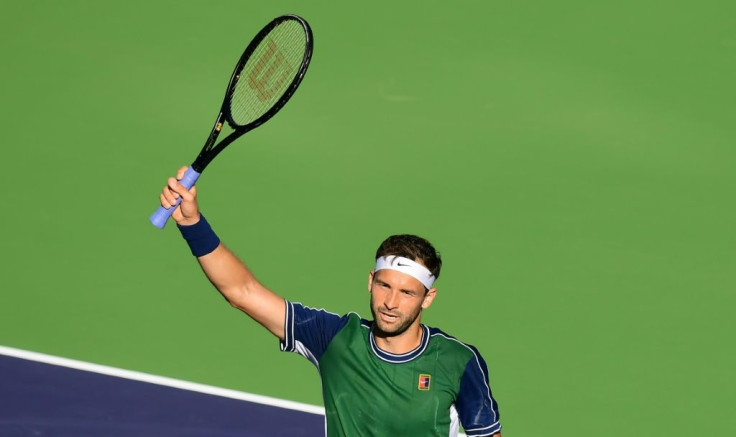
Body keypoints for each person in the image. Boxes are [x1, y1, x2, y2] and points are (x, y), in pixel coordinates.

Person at [158, 166, 503, 436]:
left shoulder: (458, 362)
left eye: (407, 292)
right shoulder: (336, 338)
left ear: (428, 299)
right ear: (370, 281)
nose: (391, 302)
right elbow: (242, 292)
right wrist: (192, 222)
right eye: (384, 285)